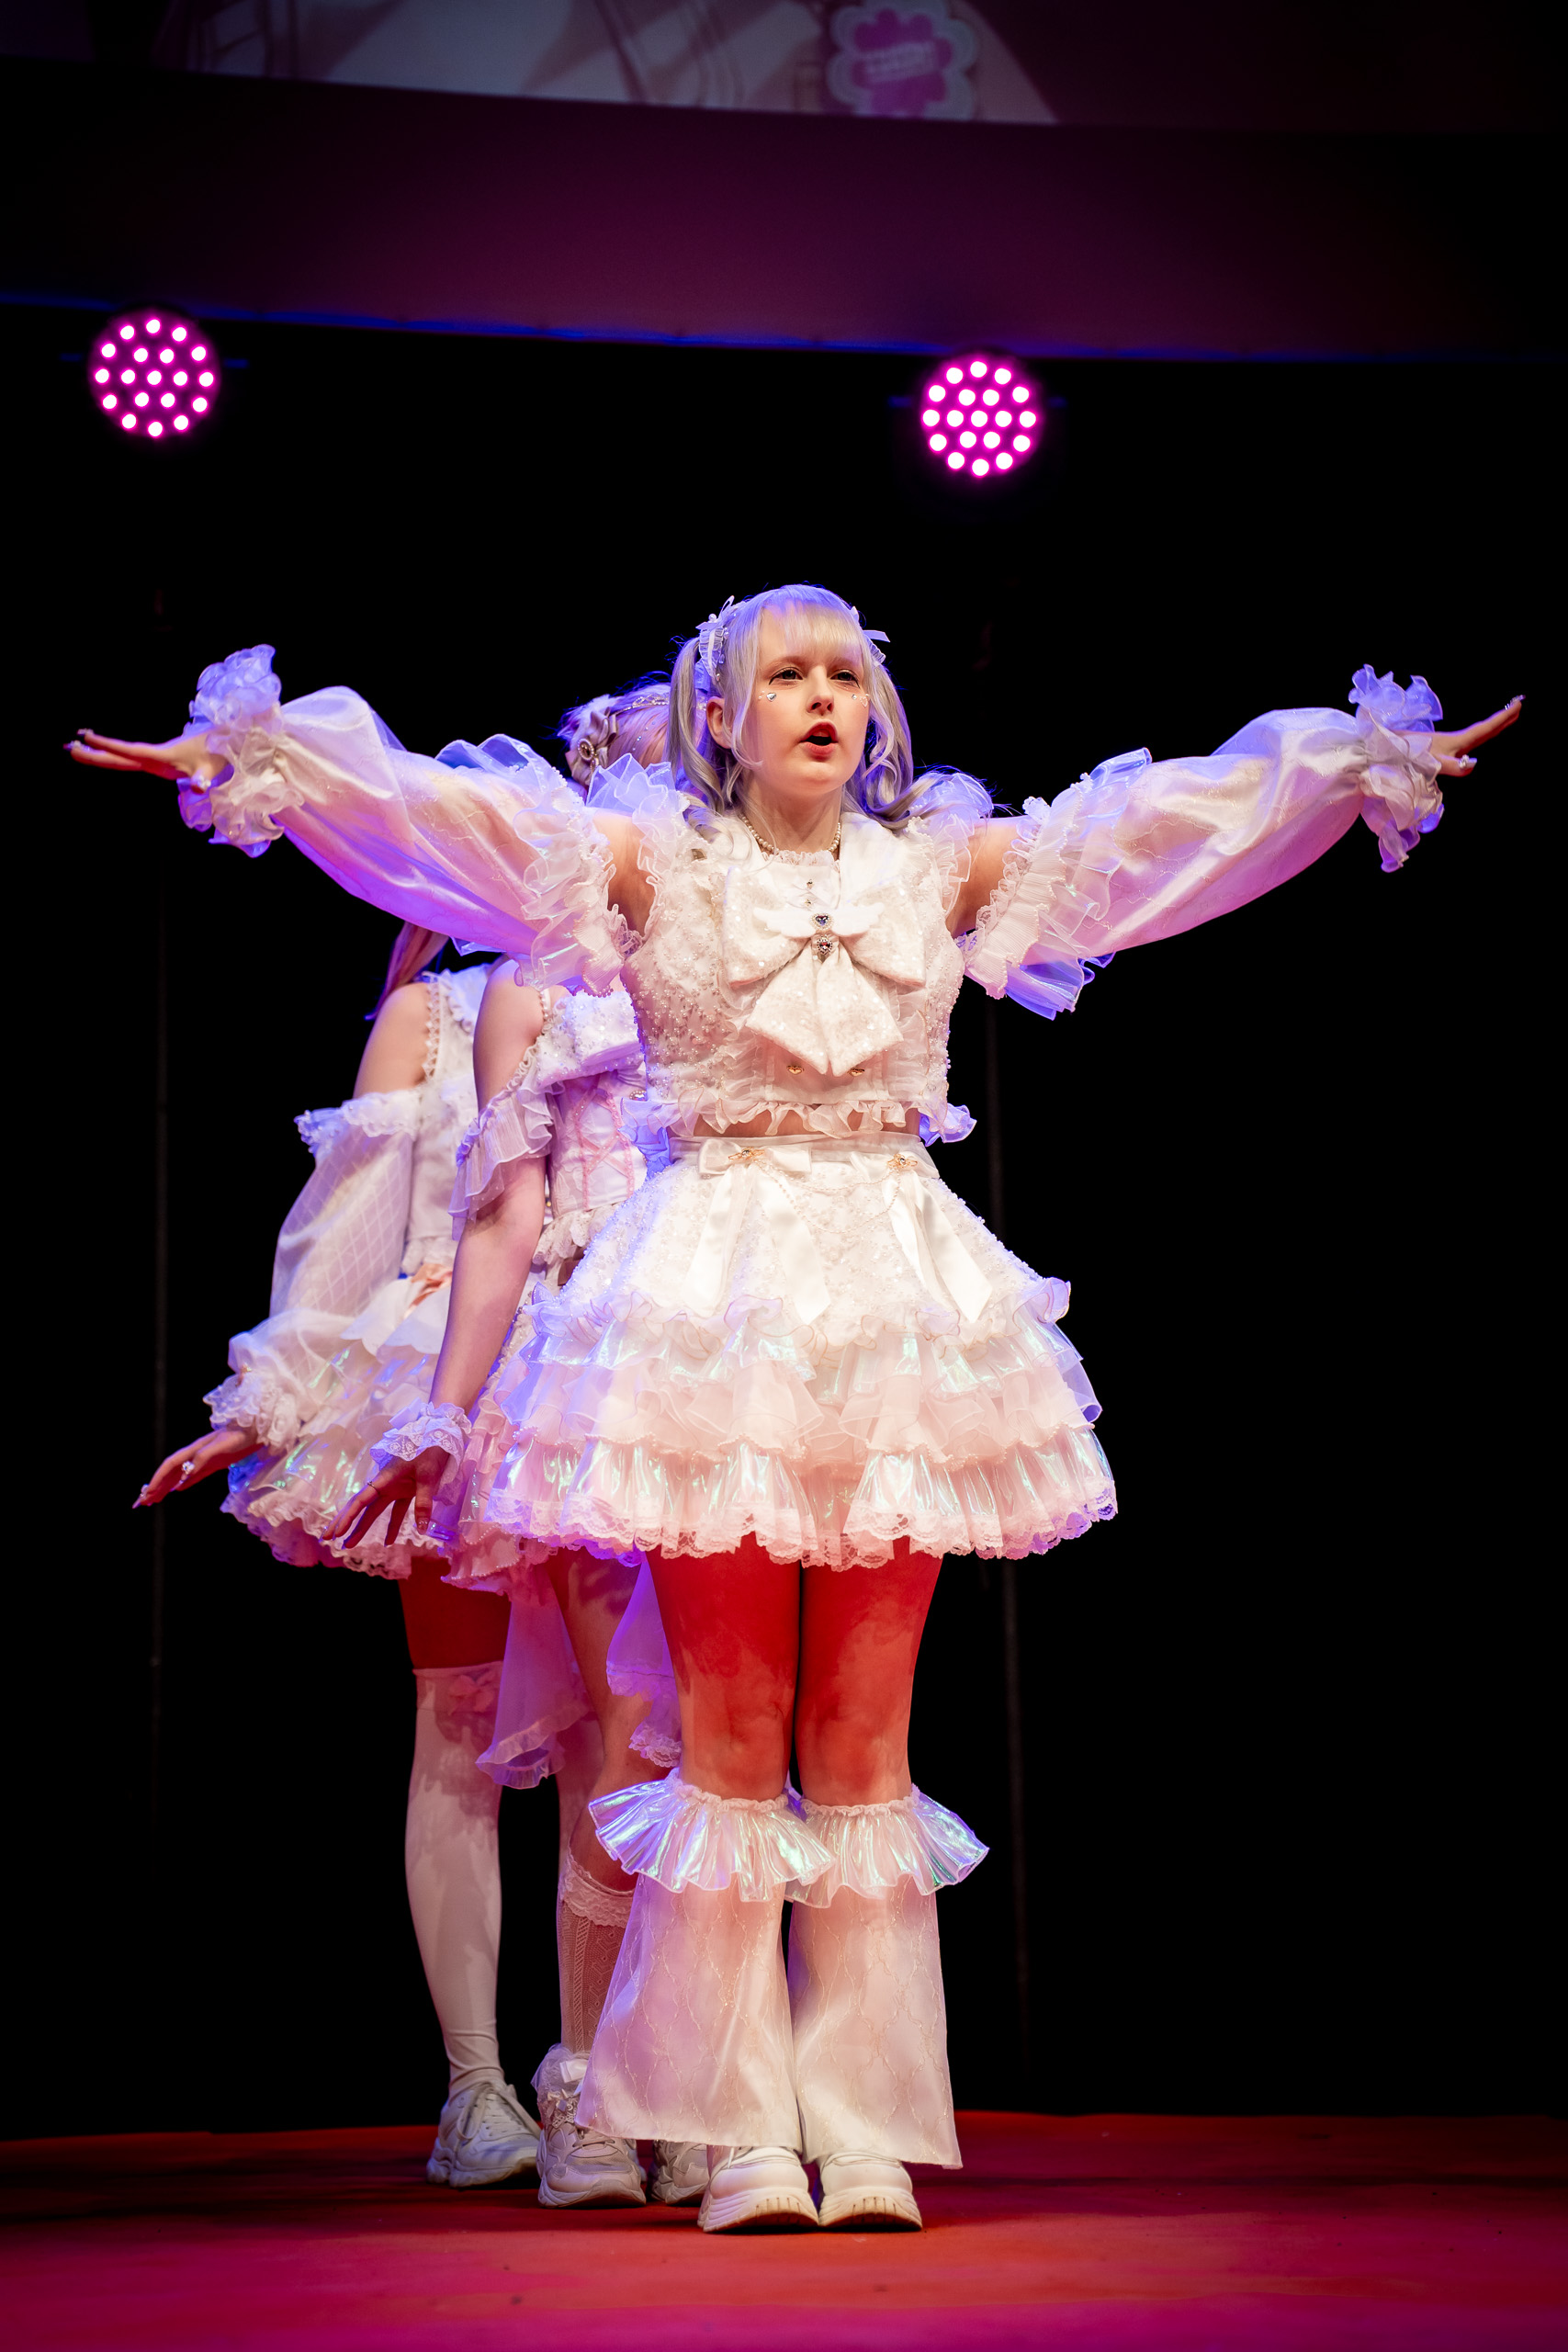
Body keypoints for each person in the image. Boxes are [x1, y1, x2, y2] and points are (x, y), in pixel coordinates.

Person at [72, 594, 1519, 2233]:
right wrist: (267, 757)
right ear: (724, 715)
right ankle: (738, 2122)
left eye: (850, 674)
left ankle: (868, 2120)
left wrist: (1350, 762)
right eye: (790, 675)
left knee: (864, 1736)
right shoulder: (649, 867)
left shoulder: (943, 867)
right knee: (732, 1732)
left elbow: (1159, 831)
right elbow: (443, 814)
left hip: (893, 1298)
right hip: (714, 1298)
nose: (826, 697)